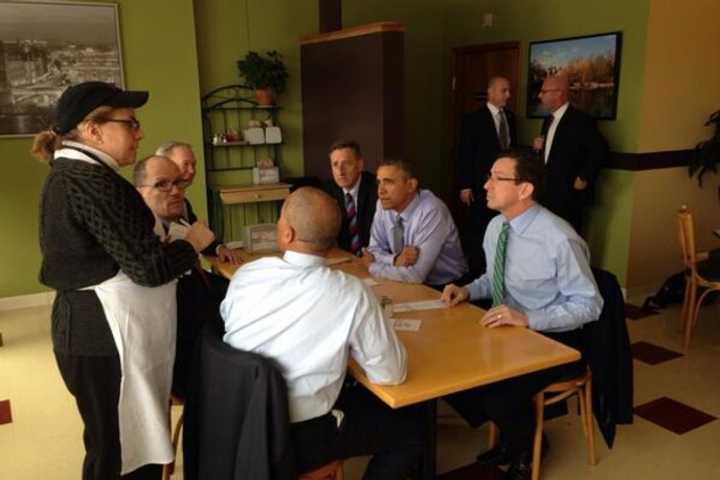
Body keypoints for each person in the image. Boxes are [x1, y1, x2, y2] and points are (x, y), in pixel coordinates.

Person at [33, 81, 215, 480]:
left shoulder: (77, 173)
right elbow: (148, 269)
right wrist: (193, 245)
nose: (140, 132)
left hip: (94, 334)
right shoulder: (89, 179)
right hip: (101, 338)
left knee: (115, 448)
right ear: (92, 130)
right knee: (119, 456)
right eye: (130, 123)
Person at [221, 187, 423, 479]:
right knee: (412, 429)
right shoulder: (351, 292)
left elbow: (230, 324)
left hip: (237, 418)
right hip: (296, 438)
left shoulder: (247, 275)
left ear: (287, 233)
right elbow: (391, 373)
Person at [441, 151, 602, 480]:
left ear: (525, 189)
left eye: (496, 178)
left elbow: (590, 304)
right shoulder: (497, 226)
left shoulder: (558, 238)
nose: (486, 185)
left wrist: (530, 319)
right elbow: (494, 278)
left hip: (558, 336)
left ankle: (527, 448)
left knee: (500, 393)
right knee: (451, 371)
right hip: (513, 330)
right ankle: (513, 435)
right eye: (488, 176)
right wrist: (467, 290)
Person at [134, 155, 229, 398]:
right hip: (185, 362)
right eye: (162, 184)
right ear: (139, 193)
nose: (176, 191)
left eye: (178, 183)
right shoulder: (140, 241)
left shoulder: (175, 218)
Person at [362, 159, 468, 288]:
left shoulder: (432, 210)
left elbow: (416, 275)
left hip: (445, 286)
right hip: (404, 280)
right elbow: (372, 251)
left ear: (411, 185)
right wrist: (395, 260)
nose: (380, 190)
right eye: (379, 182)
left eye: (388, 182)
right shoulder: (383, 204)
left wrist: (372, 266)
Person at [532, 75, 607, 234]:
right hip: (546, 192)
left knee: (568, 242)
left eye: (543, 91)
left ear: (558, 93)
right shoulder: (547, 121)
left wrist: (584, 176)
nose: (539, 95)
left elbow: (600, 150)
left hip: (569, 195)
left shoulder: (581, 120)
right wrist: (538, 148)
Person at [155, 140, 239, 263]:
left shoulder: (184, 203)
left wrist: (218, 248)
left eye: (194, 165)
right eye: (186, 164)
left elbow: (198, 237)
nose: (192, 171)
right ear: (164, 166)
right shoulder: (149, 208)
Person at [457, 76, 517, 234]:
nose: (508, 95)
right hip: (480, 184)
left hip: (506, 183)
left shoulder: (510, 118)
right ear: (490, 92)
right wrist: (465, 185)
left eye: (509, 91)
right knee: (481, 227)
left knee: (501, 226)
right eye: (504, 90)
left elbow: (511, 148)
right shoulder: (473, 119)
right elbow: (465, 152)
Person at [325, 140, 378, 255]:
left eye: (346, 164)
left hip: (373, 258)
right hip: (343, 258)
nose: (340, 171)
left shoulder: (377, 188)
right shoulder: (326, 192)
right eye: (335, 164)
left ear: (359, 165)